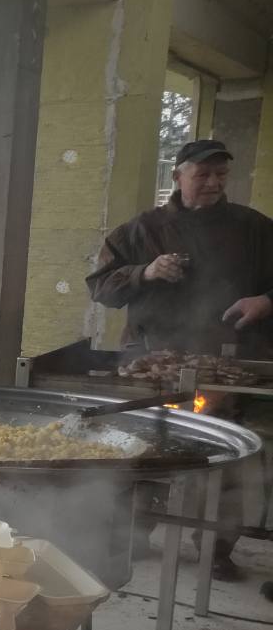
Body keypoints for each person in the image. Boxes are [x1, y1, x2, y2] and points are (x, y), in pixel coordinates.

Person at [87, 138, 273, 579]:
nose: (213, 183)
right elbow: (100, 288)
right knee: (142, 449)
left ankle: (216, 547)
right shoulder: (140, 231)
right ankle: (133, 533)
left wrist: (266, 300)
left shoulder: (255, 229)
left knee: (229, 457)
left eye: (221, 175)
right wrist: (144, 272)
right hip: (152, 361)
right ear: (178, 176)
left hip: (228, 362)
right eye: (202, 174)